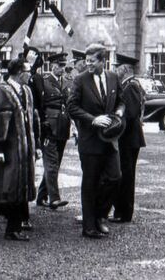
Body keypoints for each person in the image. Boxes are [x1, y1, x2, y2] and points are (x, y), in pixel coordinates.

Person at [67, 43, 125, 239]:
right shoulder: (80, 80)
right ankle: (89, 226)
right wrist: (93, 119)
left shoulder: (113, 77)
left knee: (115, 177)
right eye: (87, 61)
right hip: (90, 140)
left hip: (109, 139)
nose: (88, 64)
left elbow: (121, 101)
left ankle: (100, 216)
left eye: (92, 61)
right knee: (90, 183)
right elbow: (71, 107)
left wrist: (119, 112)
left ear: (103, 61)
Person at [0, 58, 37, 241]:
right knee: (8, 186)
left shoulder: (26, 90)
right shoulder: (1, 92)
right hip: (7, 148)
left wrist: (37, 146)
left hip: (24, 149)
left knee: (19, 187)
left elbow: (32, 122)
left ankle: (12, 227)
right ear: (19, 73)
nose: (30, 74)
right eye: (28, 71)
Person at [108, 63, 146, 223]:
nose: (116, 71)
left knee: (126, 175)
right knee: (126, 174)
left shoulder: (130, 87)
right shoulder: (132, 85)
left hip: (128, 137)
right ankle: (123, 211)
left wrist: (115, 124)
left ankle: (123, 213)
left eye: (118, 68)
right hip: (132, 137)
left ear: (124, 70)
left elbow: (129, 114)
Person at [37, 52, 71, 210]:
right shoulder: (44, 82)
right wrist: (42, 124)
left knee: (55, 164)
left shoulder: (66, 82)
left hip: (63, 126)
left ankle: (41, 195)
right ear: (52, 66)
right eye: (59, 65)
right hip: (49, 127)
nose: (62, 69)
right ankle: (54, 199)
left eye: (63, 66)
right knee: (51, 163)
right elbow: (39, 105)